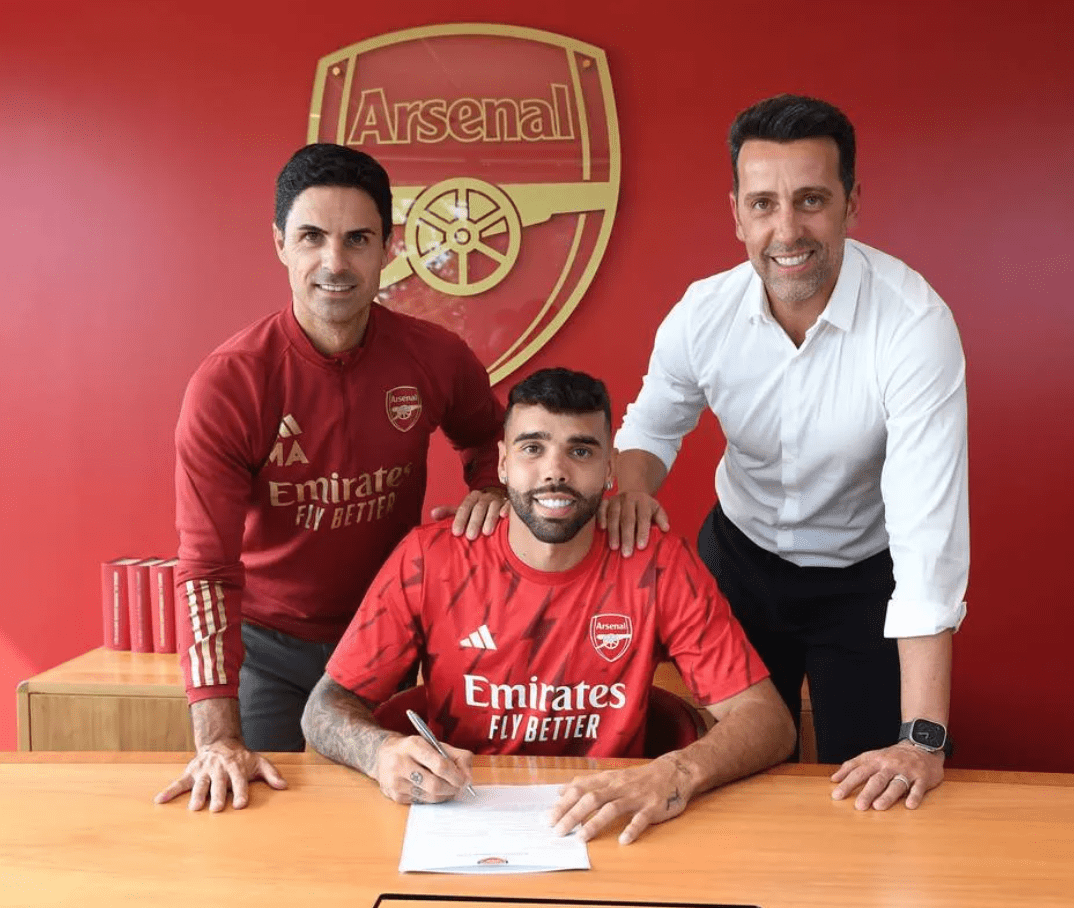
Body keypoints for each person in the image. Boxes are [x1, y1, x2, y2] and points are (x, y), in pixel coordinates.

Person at [606, 95, 968, 811]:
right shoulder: (702, 312)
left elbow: (929, 541)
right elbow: (652, 425)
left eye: (811, 200)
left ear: (851, 203)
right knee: (722, 778)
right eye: (764, 203)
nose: (787, 229)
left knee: (871, 787)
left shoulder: (915, 325)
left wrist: (923, 737)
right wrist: (633, 489)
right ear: (736, 212)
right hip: (740, 565)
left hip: (865, 578)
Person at [301, 368, 795, 845]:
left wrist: (673, 771)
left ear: (609, 469)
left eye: (580, 450)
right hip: (460, 822)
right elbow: (324, 709)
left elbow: (769, 721)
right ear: (501, 464)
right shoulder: (431, 558)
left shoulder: (656, 562)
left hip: (608, 825)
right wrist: (379, 752)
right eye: (532, 448)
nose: (555, 471)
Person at [156, 143, 507, 812]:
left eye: (357, 239)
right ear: (280, 244)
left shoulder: (435, 357)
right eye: (312, 237)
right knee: (268, 822)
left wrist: (491, 489)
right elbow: (205, 570)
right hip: (270, 650)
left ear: (387, 248)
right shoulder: (229, 385)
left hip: (392, 642)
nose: (334, 263)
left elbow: (492, 437)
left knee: (409, 814)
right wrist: (216, 735)